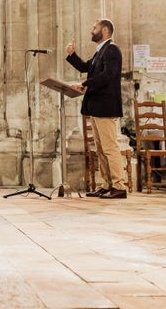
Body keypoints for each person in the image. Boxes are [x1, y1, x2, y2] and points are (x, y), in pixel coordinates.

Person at [66, 18, 126, 199]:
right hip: (97, 107)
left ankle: (119, 186)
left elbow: (108, 75)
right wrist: (72, 55)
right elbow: (87, 67)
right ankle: (106, 184)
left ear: (105, 30)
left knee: (110, 148)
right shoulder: (101, 52)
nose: (92, 31)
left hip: (106, 106)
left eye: (95, 28)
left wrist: (84, 84)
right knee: (101, 150)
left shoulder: (112, 50)